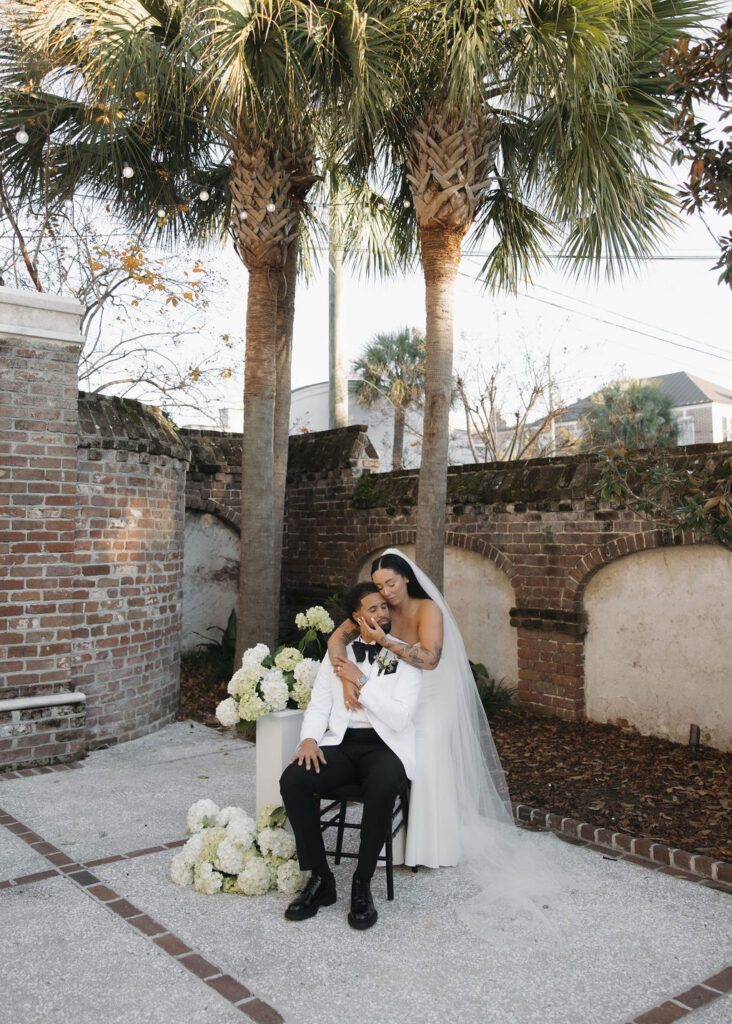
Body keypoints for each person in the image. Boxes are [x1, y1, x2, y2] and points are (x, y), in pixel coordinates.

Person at [328, 549, 514, 869]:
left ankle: (431, 849)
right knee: (395, 757)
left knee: (425, 760)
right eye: (379, 586)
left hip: (433, 695)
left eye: (391, 583)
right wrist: (346, 682)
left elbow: (430, 660)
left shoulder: (427, 609)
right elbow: (335, 640)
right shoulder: (377, 609)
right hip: (399, 695)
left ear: (406, 578)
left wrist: (384, 641)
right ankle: (396, 844)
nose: (385, 592)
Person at [279, 581, 421, 930]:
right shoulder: (337, 655)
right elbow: (319, 705)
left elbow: (400, 717)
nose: (381, 614)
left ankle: (361, 883)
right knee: (294, 779)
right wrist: (310, 740)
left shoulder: (405, 655)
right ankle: (320, 878)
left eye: (384, 608)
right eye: (372, 609)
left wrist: (362, 682)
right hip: (341, 743)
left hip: (385, 746)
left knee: (383, 785)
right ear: (357, 618)